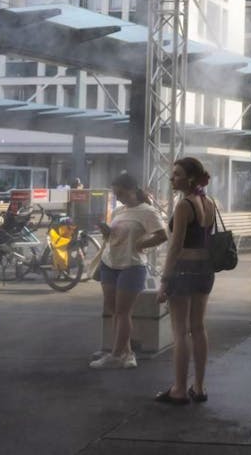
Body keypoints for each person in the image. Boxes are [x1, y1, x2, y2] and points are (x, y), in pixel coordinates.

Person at [90, 173, 167, 370]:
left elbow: (162, 235)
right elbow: (112, 237)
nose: (119, 197)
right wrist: (107, 232)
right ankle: (127, 353)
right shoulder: (118, 212)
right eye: (116, 194)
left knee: (123, 312)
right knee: (114, 309)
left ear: (133, 190)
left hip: (132, 265)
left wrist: (142, 244)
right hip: (110, 262)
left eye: (121, 193)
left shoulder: (147, 211)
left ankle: (116, 354)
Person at [155, 157, 217, 404]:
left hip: (184, 269)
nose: (172, 178)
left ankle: (179, 389)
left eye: (177, 174)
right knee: (199, 328)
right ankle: (199, 387)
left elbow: (175, 246)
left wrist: (164, 280)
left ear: (190, 178)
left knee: (180, 332)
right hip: (205, 269)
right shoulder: (209, 202)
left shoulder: (184, 206)